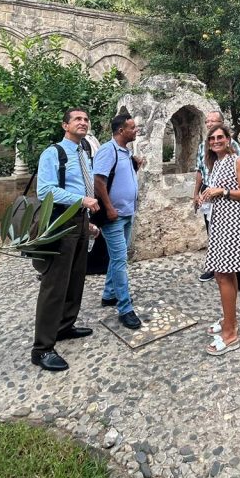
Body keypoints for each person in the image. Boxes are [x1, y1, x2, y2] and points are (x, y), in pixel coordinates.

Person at [31, 107, 101, 372]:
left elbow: (81, 186)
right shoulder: (53, 153)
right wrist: (81, 200)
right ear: (65, 125)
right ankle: (42, 349)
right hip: (60, 221)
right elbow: (45, 190)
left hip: (80, 220)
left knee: (75, 279)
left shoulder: (84, 153)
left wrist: (87, 221)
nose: (83, 122)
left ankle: (64, 326)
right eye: (77, 119)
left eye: (85, 119)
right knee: (54, 285)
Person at [197, 123, 240, 356]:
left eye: (220, 137)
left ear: (228, 139)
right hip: (220, 221)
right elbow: (216, 189)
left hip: (232, 224)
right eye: (212, 138)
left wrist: (223, 192)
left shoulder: (236, 161)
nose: (216, 141)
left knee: (222, 275)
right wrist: (205, 195)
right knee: (226, 274)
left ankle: (230, 334)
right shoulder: (216, 163)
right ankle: (230, 319)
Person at [93, 112, 145, 330]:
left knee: (116, 258)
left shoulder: (125, 152)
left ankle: (109, 294)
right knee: (120, 260)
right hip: (114, 216)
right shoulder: (108, 150)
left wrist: (135, 165)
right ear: (121, 131)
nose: (136, 131)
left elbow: (121, 177)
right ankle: (125, 308)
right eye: (132, 128)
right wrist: (109, 208)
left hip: (126, 213)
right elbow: (98, 181)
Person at [194, 109, 240, 282]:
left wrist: (223, 191)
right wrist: (196, 193)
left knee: (227, 233)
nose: (209, 124)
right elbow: (200, 170)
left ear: (221, 124)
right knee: (211, 228)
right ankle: (215, 265)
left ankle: (230, 267)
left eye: (213, 121)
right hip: (209, 190)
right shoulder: (204, 146)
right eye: (207, 121)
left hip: (226, 195)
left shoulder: (232, 148)